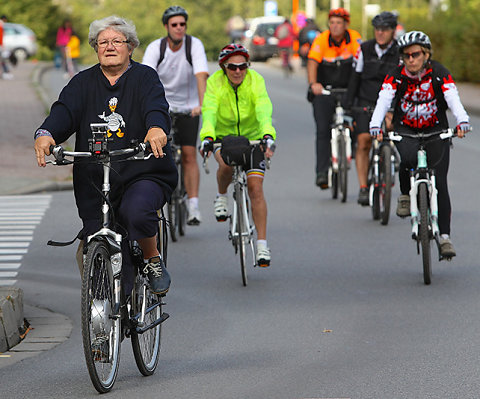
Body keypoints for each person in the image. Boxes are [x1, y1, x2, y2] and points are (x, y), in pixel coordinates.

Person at [34, 15, 178, 294]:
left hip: (141, 170)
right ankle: (103, 314)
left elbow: (156, 107)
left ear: (131, 46)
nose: (109, 46)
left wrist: (156, 128)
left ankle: (152, 258)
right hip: (95, 178)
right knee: (94, 245)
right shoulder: (82, 82)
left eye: (117, 41)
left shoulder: (145, 77)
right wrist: (45, 133)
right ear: (95, 48)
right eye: (103, 42)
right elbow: (63, 111)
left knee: (136, 212)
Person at [369, 31, 471, 257]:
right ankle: (405, 194)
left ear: (426, 54)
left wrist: (462, 120)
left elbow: (453, 98)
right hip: (406, 128)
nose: (411, 60)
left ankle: (444, 237)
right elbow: (383, 101)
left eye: (415, 54)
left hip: (436, 129)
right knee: (406, 158)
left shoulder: (439, 73)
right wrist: (375, 125)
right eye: (406, 56)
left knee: (441, 183)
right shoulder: (395, 76)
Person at [198, 44, 276, 267]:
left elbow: (263, 107)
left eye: (243, 66)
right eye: (232, 66)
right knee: (226, 165)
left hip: (252, 138)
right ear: (224, 67)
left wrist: (268, 134)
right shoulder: (214, 83)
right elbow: (209, 112)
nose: (238, 71)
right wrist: (208, 136)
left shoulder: (255, 80)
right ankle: (221, 195)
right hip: (224, 138)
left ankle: (261, 244)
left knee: (255, 188)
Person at [143, 5, 208, 226]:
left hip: (189, 107)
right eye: (174, 25)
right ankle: (157, 202)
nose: (179, 28)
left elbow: (201, 76)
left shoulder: (194, 45)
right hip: (162, 107)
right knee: (159, 153)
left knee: (189, 154)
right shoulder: (156, 48)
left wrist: (202, 104)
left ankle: (193, 205)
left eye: (182, 24)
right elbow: (145, 79)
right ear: (166, 27)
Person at [344, 11, 399, 205]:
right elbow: (355, 77)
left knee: (394, 132)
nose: (380, 33)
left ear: (393, 31)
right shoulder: (364, 49)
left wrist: (396, 109)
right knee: (364, 141)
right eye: (377, 29)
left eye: (385, 30)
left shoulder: (400, 52)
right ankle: (363, 187)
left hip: (391, 103)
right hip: (366, 101)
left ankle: (392, 161)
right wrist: (349, 106)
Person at [307, 8, 361, 189]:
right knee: (322, 130)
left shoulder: (354, 38)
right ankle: (322, 172)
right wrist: (314, 84)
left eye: (339, 23)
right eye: (332, 23)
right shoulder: (321, 39)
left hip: (348, 90)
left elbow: (361, 63)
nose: (335, 26)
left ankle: (352, 147)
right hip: (326, 90)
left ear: (346, 25)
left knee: (358, 119)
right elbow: (313, 62)